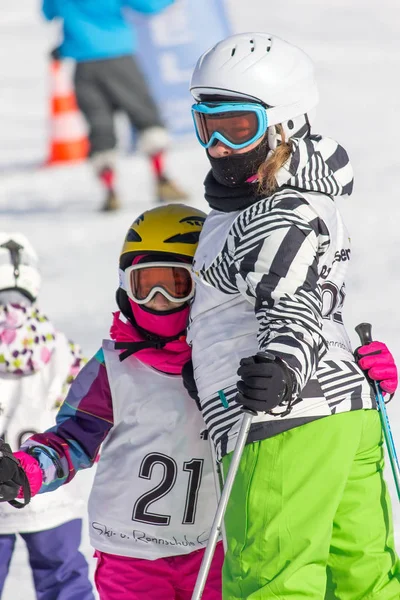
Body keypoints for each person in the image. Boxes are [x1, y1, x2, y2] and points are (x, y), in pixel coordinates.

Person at [185, 33, 400, 599]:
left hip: (283, 417)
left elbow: (290, 301)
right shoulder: (304, 201)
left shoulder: (274, 212)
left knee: (272, 581)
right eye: (205, 125)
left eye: (237, 127)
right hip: (343, 414)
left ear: (285, 124)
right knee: (359, 577)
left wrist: (281, 362)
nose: (217, 146)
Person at [0, 206, 223, 600]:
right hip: (130, 555)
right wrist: (27, 469)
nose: (158, 299)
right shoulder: (113, 367)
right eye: (145, 284)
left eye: (175, 284)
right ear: (125, 287)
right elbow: (73, 440)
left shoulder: (225, 361)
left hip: (213, 549)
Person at [0, 233, 94, 599]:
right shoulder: (60, 347)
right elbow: (86, 411)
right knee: (64, 580)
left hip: (23, 484)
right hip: (49, 487)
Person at [41, 0, 188, 211]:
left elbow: (48, 13)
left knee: (100, 129)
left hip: (83, 66)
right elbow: (149, 6)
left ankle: (110, 191)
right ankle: (161, 179)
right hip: (119, 57)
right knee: (146, 119)